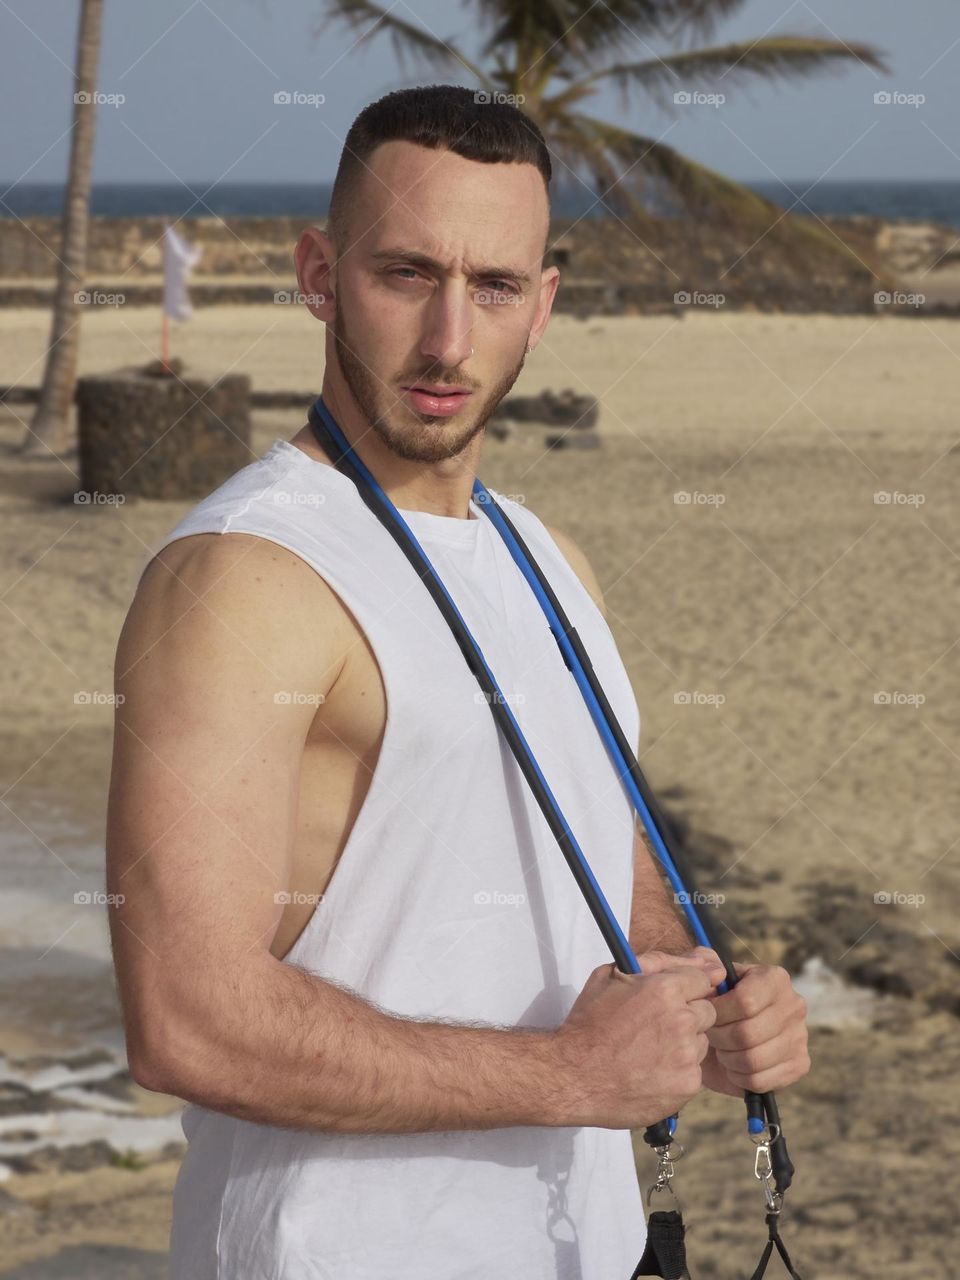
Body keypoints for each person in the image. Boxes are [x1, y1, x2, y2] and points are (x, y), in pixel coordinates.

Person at [106, 84, 809, 1280]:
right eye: (405, 274)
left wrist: (719, 1005)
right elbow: (185, 1019)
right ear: (320, 274)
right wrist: (575, 1075)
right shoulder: (244, 578)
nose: (447, 340)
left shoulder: (546, 557)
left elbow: (620, 899)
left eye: (492, 287)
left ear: (543, 307)